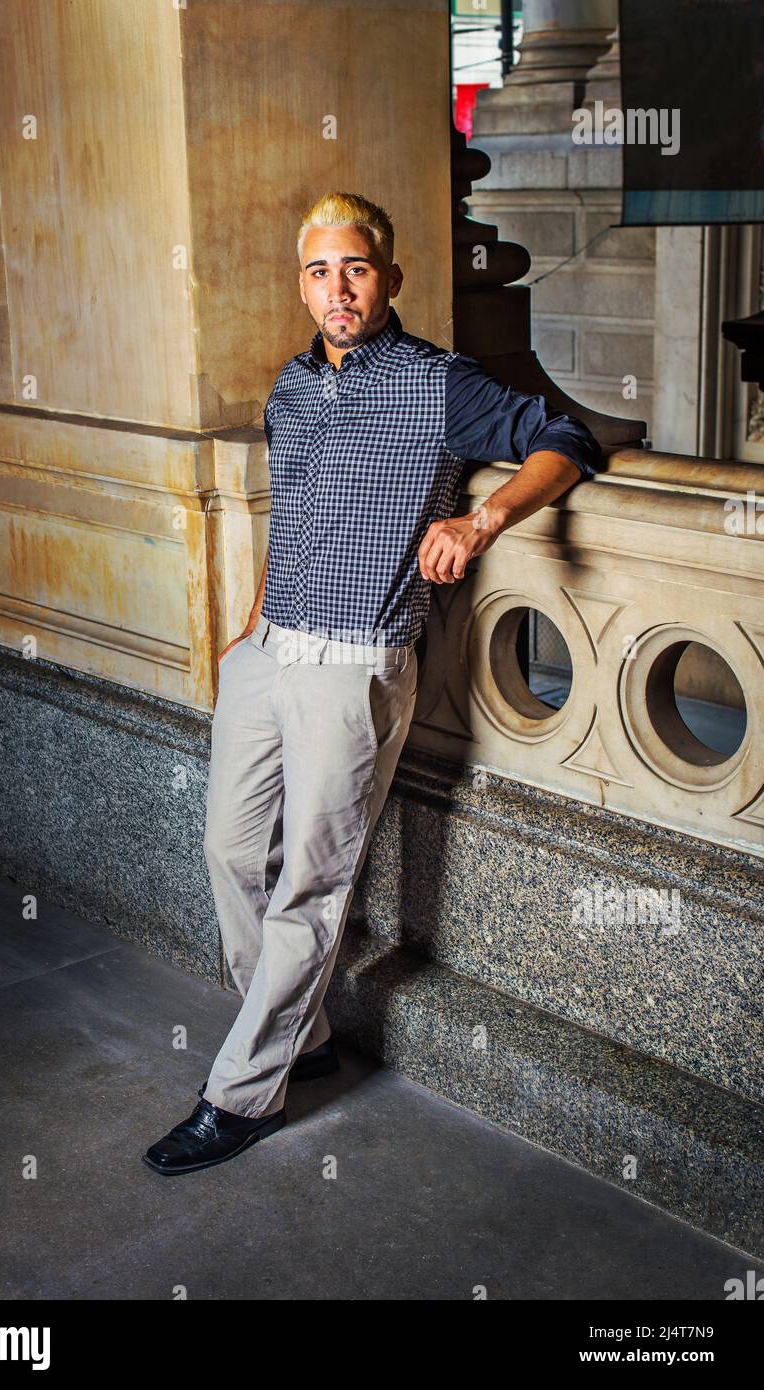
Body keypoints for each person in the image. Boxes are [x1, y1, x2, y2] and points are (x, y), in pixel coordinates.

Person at [143, 191, 604, 1176]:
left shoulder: (439, 384)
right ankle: (301, 1038)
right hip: (269, 655)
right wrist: (249, 631)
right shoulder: (291, 385)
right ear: (301, 284)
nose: (336, 288)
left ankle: (240, 1093)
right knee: (230, 854)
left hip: (355, 667)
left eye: (354, 268)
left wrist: (480, 524)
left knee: (311, 885)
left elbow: (566, 438)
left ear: (388, 278)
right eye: (318, 270)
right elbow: (291, 508)